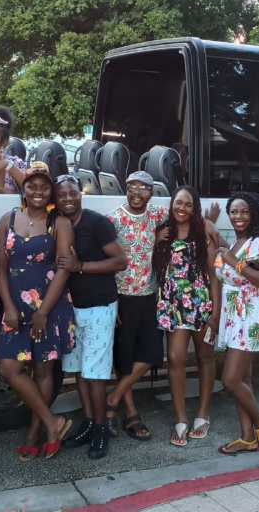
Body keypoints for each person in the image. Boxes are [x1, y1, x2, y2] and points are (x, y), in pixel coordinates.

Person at [0, 162, 75, 461]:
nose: (38, 191)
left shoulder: (60, 223)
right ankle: (52, 422)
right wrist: (9, 307)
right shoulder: (8, 219)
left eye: (44, 186)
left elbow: (64, 271)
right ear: (23, 189)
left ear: (50, 190)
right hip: (16, 307)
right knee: (10, 368)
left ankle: (35, 434)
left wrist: (43, 312)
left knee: (43, 369)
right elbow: (0, 271)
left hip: (50, 307)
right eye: (32, 185)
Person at [55, 175, 127, 459]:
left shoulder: (96, 222)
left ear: (80, 194)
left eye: (73, 193)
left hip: (99, 306)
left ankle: (100, 427)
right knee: (79, 371)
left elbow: (120, 261)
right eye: (62, 195)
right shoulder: (58, 225)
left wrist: (80, 266)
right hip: (71, 310)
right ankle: (87, 422)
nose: (68, 199)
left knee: (95, 374)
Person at [211, 193, 259, 455]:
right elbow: (225, 263)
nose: (238, 216)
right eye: (234, 212)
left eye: (244, 212)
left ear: (254, 214)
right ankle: (247, 437)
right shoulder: (239, 242)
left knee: (230, 380)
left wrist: (234, 263)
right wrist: (212, 226)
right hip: (233, 316)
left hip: (250, 317)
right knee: (243, 379)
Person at [153, 185, 219, 447]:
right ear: (172, 204)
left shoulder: (203, 231)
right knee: (177, 358)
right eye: (178, 203)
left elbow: (214, 275)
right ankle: (180, 419)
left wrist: (215, 311)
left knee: (205, 356)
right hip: (173, 304)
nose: (182, 208)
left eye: (188, 204)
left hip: (201, 303)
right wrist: (157, 241)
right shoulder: (165, 232)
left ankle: (203, 413)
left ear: (195, 208)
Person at [104, 171, 168, 442]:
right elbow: (107, 264)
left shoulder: (157, 216)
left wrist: (209, 225)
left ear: (151, 193)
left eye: (143, 189)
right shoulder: (114, 220)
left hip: (149, 295)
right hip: (122, 297)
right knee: (125, 359)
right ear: (126, 190)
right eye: (132, 188)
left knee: (153, 353)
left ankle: (113, 397)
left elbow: (187, 221)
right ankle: (131, 414)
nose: (137, 194)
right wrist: (112, 302)